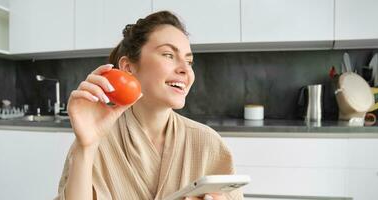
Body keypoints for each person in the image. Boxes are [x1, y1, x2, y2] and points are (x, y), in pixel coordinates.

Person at [55, 11, 243, 200]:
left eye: (189, 61)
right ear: (128, 68)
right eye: (169, 55)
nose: (185, 70)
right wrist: (86, 147)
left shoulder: (208, 143)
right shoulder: (95, 141)